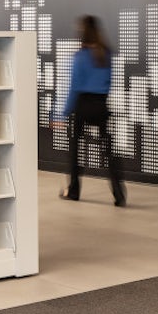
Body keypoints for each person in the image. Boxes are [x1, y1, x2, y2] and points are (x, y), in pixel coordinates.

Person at [53, 15, 125, 206]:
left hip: (83, 105)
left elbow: (74, 88)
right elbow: (108, 83)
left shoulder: (80, 57)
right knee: (108, 151)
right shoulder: (106, 54)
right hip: (101, 105)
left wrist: (63, 113)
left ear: (82, 33)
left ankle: (74, 191)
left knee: (75, 149)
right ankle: (119, 194)